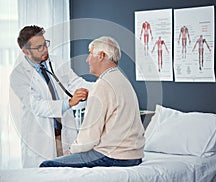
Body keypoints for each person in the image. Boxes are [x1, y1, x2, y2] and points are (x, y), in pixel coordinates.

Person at [39, 36, 145, 168]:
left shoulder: (103, 85)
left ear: (101, 55)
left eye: (90, 54)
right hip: (134, 156)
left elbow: (89, 136)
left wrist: (71, 151)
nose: (87, 60)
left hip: (113, 157)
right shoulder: (122, 80)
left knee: (47, 165)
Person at [10, 25, 92, 168]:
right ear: (25, 51)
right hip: (41, 138)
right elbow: (37, 105)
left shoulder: (57, 61)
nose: (45, 49)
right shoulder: (19, 75)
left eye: (45, 44)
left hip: (65, 132)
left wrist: (99, 87)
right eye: (39, 47)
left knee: (69, 174)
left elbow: (74, 82)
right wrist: (69, 103)